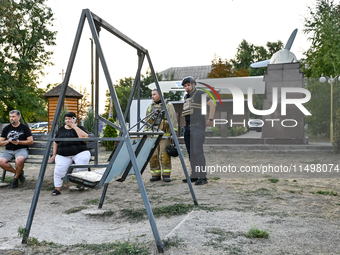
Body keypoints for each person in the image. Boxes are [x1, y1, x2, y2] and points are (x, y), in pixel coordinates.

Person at [181, 76, 216, 185]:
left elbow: (212, 104)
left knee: (197, 151)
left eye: (188, 85)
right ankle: (195, 175)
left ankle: (202, 176)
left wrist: (210, 119)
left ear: (194, 84)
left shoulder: (200, 93)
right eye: (185, 86)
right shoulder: (186, 97)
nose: (187, 87)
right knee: (191, 152)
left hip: (197, 127)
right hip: (188, 127)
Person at [49, 112, 91, 196]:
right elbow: (55, 142)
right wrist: (54, 154)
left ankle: (80, 182)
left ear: (74, 119)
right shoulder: (61, 129)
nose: (68, 120)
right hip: (63, 154)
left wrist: (74, 127)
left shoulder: (80, 128)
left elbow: (85, 138)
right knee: (59, 169)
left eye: (70, 118)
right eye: (66, 119)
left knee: (82, 161)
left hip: (80, 152)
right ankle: (57, 188)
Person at [146, 89, 178, 182]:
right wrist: (147, 134)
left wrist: (173, 133)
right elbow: (147, 122)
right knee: (153, 156)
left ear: (160, 94)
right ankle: (155, 174)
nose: (152, 96)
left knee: (164, 156)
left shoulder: (168, 105)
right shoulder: (150, 107)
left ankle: (166, 175)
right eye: (152, 94)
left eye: (154, 94)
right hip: (153, 137)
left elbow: (173, 119)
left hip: (165, 136)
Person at [0, 110, 33, 188]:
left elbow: (31, 141)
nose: (11, 118)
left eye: (13, 116)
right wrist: (8, 141)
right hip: (8, 150)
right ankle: (19, 173)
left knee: (19, 160)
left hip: (21, 149)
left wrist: (19, 142)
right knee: (1, 162)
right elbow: (0, 142)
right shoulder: (6, 128)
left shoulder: (24, 127)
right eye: (10, 117)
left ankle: (15, 178)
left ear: (18, 117)